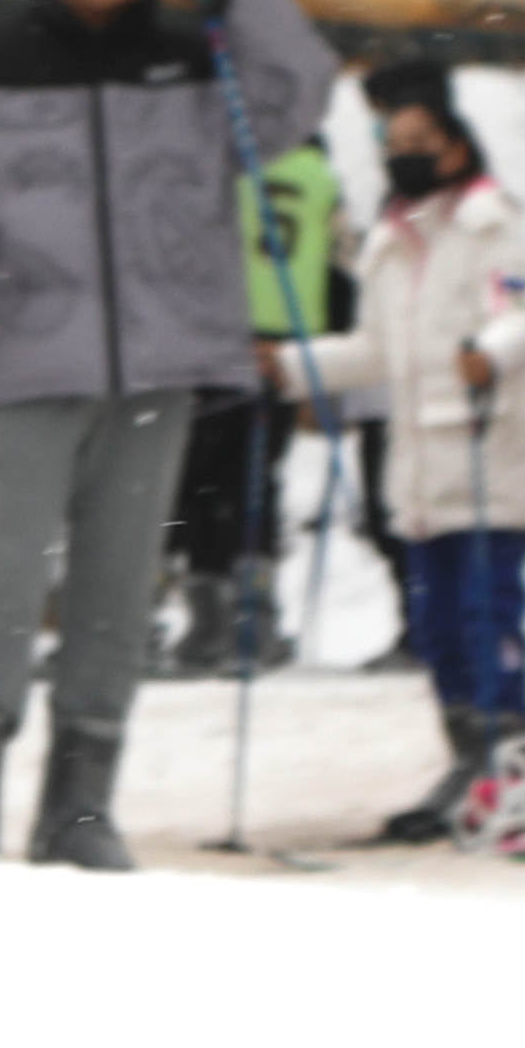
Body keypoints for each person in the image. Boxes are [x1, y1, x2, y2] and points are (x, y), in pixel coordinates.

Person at [0, 0, 339, 870]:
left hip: (160, 365)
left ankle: (80, 803)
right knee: (4, 582)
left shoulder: (197, 66)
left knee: (120, 591)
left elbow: (298, 99)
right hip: (26, 356)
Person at [289, 61, 525, 847]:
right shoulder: (388, 242)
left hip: (485, 453)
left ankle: (512, 768)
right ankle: (467, 759)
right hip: (417, 467)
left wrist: (492, 350)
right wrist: (293, 367)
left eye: (420, 140)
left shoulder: (488, 222)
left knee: (486, 614)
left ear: (453, 145)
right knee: (436, 626)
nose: (404, 153)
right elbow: (376, 350)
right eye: (393, 142)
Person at [166, 139, 344, 673]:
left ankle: (208, 618)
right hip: (289, 339)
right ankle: (253, 616)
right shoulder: (321, 176)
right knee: (254, 476)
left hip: (220, 334)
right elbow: (339, 260)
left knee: (197, 479)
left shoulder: (227, 160)